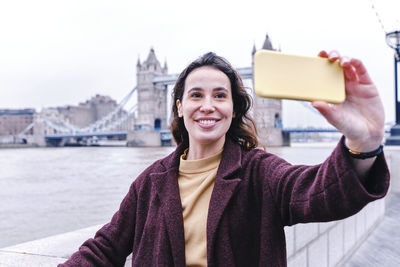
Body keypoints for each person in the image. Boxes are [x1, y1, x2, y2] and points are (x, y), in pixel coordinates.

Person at [59, 50, 390, 267]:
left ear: (233, 110)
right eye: (196, 95)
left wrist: (365, 141)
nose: (207, 105)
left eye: (220, 95)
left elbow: (319, 193)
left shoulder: (261, 172)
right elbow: (104, 249)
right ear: (178, 107)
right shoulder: (150, 181)